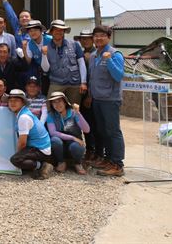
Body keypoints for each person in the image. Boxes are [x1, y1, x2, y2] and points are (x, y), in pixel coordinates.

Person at [88, 25, 125, 177]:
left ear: (108, 37)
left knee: (113, 132)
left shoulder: (115, 54)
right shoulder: (93, 55)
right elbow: (92, 78)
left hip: (111, 99)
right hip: (97, 99)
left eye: (102, 35)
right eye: (96, 36)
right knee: (102, 131)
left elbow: (118, 76)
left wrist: (109, 61)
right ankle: (108, 160)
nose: (98, 38)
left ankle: (118, 164)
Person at [7, 88, 53, 179]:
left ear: (23, 102)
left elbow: (22, 143)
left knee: (15, 160)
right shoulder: (22, 112)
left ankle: (42, 165)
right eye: (10, 100)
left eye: (16, 100)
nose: (12, 103)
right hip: (38, 146)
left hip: (40, 149)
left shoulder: (24, 117)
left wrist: (19, 156)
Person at [41, 19, 87, 105]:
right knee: (50, 107)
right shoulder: (46, 47)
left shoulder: (75, 44)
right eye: (56, 29)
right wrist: (44, 55)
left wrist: (83, 82)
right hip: (56, 82)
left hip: (74, 83)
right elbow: (45, 69)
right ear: (51, 32)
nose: (58, 32)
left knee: (74, 109)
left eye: (61, 30)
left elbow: (81, 63)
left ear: (64, 31)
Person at [75, 29, 102, 162]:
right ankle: (89, 150)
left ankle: (96, 151)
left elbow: (93, 78)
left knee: (93, 124)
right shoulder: (80, 53)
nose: (85, 41)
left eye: (87, 38)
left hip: (91, 94)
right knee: (83, 123)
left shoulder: (95, 54)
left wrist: (89, 96)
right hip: (80, 93)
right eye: (82, 38)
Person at [46, 91, 89, 175]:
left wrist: (78, 114)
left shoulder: (73, 113)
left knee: (76, 146)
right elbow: (53, 132)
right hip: (60, 145)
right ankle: (61, 162)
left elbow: (87, 130)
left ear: (65, 102)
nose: (57, 104)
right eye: (54, 102)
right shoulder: (50, 115)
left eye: (59, 101)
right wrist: (72, 138)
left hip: (74, 145)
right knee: (54, 140)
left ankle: (78, 163)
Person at [22, 20, 52, 91]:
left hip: (55, 72)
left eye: (35, 30)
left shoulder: (50, 39)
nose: (33, 33)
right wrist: (24, 49)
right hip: (42, 73)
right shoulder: (29, 44)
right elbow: (28, 61)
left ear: (41, 30)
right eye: (30, 31)